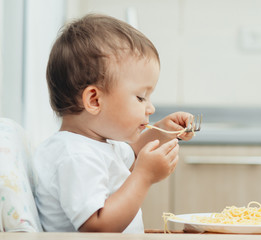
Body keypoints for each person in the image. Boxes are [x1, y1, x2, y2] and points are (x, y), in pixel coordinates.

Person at [33, 14, 194, 233]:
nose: (150, 108)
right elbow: (97, 228)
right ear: (94, 100)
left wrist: (165, 130)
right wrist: (144, 176)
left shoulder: (96, 143)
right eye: (140, 97)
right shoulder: (75, 157)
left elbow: (135, 152)